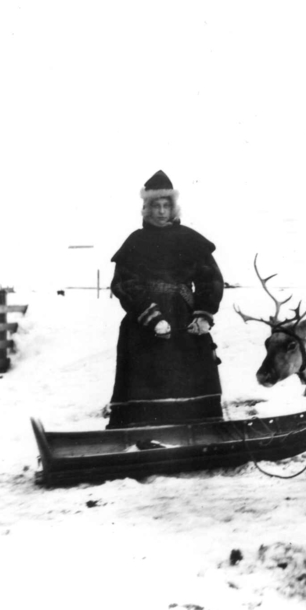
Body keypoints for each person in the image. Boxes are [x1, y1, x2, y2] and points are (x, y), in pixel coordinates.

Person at [107, 170, 224, 429]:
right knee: (147, 374)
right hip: (144, 323)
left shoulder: (190, 239)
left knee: (193, 372)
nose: (161, 211)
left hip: (186, 320)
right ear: (146, 209)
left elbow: (210, 279)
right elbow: (124, 283)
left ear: (173, 207)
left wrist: (204, 315)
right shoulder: (136, 242)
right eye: (156, 206)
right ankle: (141, 433)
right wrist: (151, 317)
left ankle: (201, 430)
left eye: (166, 206)